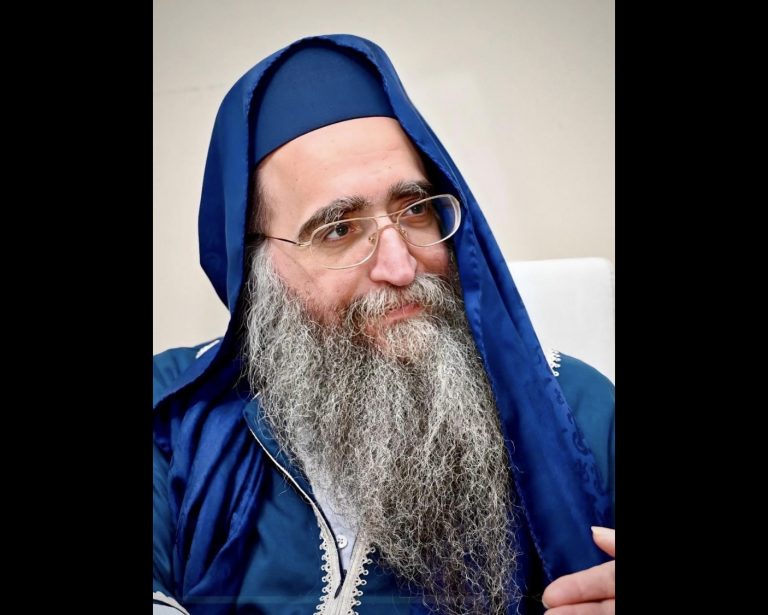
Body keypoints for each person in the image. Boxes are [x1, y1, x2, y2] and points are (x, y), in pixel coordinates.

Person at [153, 34, 615, 615]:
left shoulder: (582, 411)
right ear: (256, 271)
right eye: (338, 230)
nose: (400, 267)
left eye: (415, 210)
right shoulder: (173, 415)